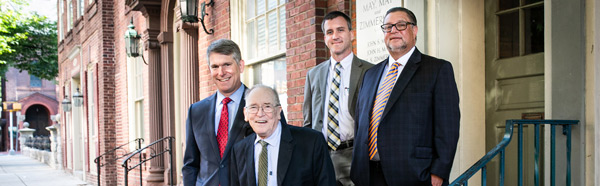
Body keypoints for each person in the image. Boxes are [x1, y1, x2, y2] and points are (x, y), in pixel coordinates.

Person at [350, 7, 460, 186]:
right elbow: (360, 125)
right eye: (388, 27)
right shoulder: (370, 75)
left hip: (414, 175)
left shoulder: (437, 70)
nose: (393, 30)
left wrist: (439, 173)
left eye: (400, 25)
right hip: (368, 176)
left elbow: (448, 127)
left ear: (414, 30)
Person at [303, 11, 372, 186]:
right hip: (322, 155)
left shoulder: (370, 71)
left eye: (340, 30)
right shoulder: (313, 74)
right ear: (325, 38)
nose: (335, 36)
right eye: (329, 32)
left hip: (355, 153)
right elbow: (308, 121)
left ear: (351, 34)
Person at [230, 85, 336, 186]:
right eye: (253, 107)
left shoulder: (311, 142)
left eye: (267, 106)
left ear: (278, 111)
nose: (260, 113)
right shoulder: (239, 150)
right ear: (246, 114)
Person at [182, 39, 253, 186]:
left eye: (227, 64)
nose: (221, 73)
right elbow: (190, 164)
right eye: (215, 66)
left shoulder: (261, 105)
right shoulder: (196, 111)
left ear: (240, 66)